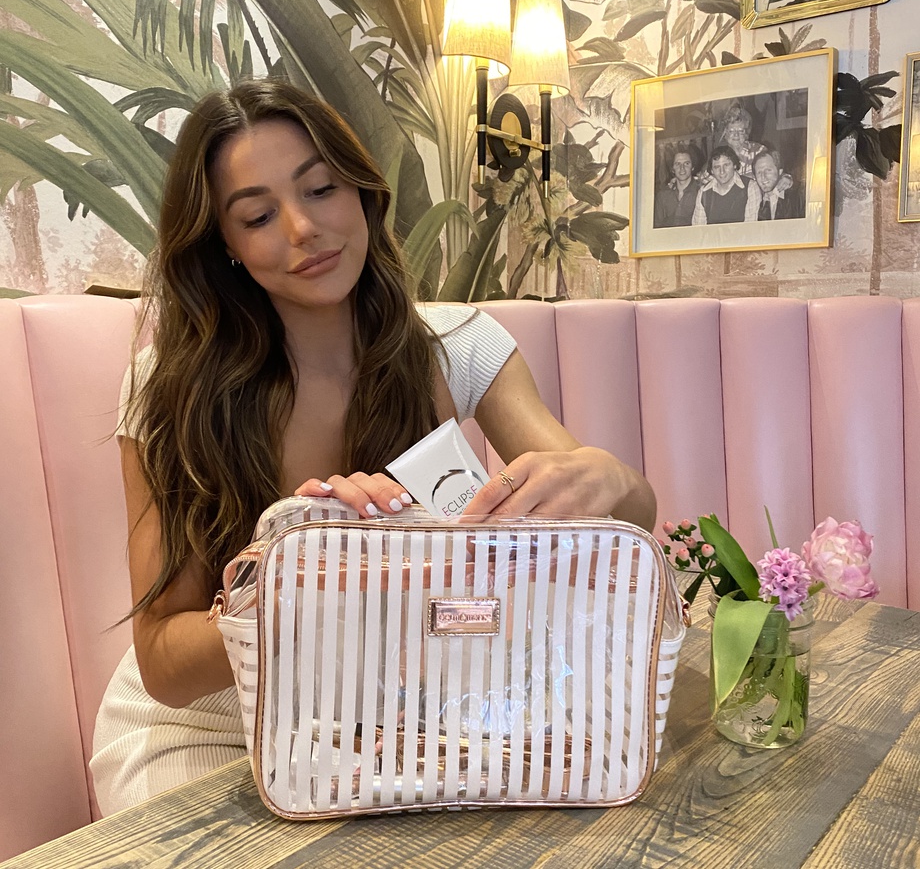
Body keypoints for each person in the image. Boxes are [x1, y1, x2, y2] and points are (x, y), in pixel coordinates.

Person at [89, 80, 656, 815]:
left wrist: (609, 477)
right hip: (207, 728)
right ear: (225, 244)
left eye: (321, 189)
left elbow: (625, 520)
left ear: (361, 191)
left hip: (404, 718)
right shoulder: (168, 390)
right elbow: (164, 665)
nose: (303, 228)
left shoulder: (458, 348)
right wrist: (294, 590)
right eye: (258, 215)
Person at [692, 146, 749, 225]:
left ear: (735, 165)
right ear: (712, 171)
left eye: (726, 165)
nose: (722, 171)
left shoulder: (749, 188)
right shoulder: (704, 192)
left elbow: (751, 227)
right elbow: (698, 227)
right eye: (717, 167)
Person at [744, 149, 805, 221]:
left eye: (768, 170)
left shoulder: (798, 197)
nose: (763, 176)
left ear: (780, 171)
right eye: (759, 172)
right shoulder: (755, 199)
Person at [653, 145, 701, 228]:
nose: (682, 168)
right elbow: (657, 225)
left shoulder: (701, 193)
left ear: (692, 167)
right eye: (677, 164)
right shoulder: (663, 195)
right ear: (673, 168)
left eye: (686, 163)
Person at [718, 105, 766, 179]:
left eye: (741, 131)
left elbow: (773, 173)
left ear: (746, 132)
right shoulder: (719, 156)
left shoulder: (758, 151)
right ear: (725, 133)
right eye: (731, 131)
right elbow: (703, 179)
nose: (736, 135)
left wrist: (784, 178)